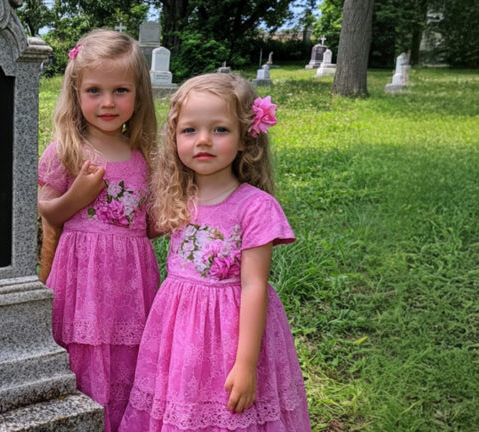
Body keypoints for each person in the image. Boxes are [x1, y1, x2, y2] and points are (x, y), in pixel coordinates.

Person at [120, 73, 311, 431]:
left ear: (245, 139)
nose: (203, 140)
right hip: (180, 332)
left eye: (220, 129)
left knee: (229, 412)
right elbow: (137, 229)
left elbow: (254, 286)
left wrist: (246, 365)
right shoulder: (179, 197)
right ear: (174, 139)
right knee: (182, 405)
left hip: (232, 335)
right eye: (189, 130)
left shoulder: (255, 207)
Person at [37, 29, 160, 431]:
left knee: (128, 354)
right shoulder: (67, 150)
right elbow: (48, 212)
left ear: (139, 94)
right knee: (83, 352)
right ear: (76, 94)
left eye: (121, 90)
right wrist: (79, 195)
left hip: (131, 283)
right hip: (82, 281)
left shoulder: (145, 155)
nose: (108, 102)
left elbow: (150, 225)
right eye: (94, 91)